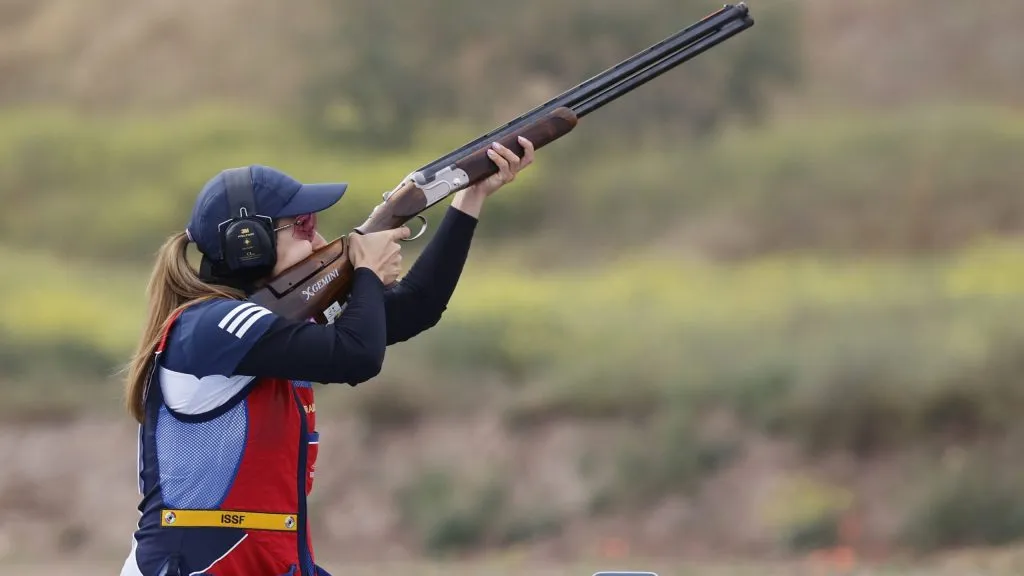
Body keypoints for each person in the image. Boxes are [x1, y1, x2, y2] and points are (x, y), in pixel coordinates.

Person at [118, 137, 536, 576]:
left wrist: (469, 198)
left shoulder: (264, 329)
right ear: (249, 244)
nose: (318, 237)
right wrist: (368, 275)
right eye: (301, 225)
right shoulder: (208, 326)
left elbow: (417, 307)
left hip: (266, 563)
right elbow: (356, 356)